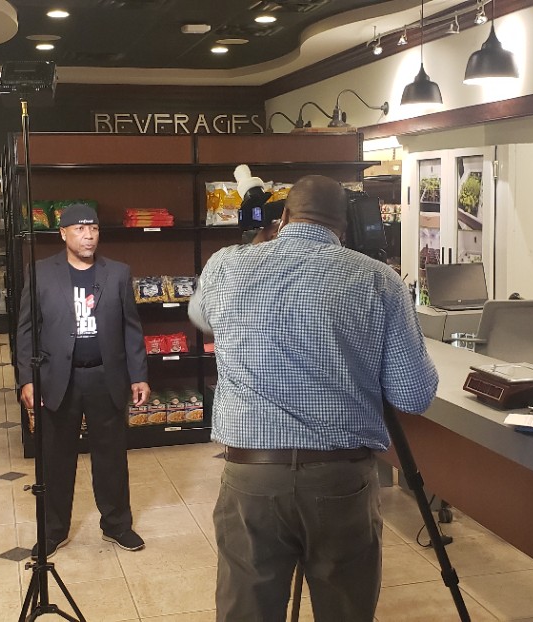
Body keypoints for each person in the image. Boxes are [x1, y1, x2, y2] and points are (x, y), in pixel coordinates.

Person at [189, 175, 438, 620]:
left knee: (246, 611)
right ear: (345, 226)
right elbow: (414, 395)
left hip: (251, 476)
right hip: (341, 479)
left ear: (283, 217)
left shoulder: (226, 264)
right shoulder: (380, 281)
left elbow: (202, 318)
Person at [16, 203, 151, 558]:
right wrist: (27, 379)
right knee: (56, 459)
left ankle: (117, 524)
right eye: (79, 228)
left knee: (111, 457)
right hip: (58, 378)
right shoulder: (41, 272)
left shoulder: (118, 273)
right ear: (63, 234)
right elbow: (27, 329)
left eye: (92, 228)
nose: (88, 235)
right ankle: (52, 530)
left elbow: (131, 329)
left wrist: (138, 374)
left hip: (106, 378)